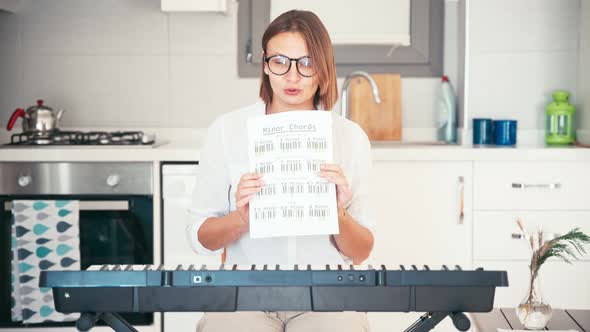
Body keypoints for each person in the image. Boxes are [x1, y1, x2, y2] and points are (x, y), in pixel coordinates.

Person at [187, 9, 374, 332]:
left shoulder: (350, 137)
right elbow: (199, 238)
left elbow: (362, 252)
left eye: (306, 62)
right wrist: (240, 218)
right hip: (243, 295)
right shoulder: (227, 130)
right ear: (265, 63)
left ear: (322, 66)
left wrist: (336, 212)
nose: (292, 76)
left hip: (327, 297)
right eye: (280, 61)